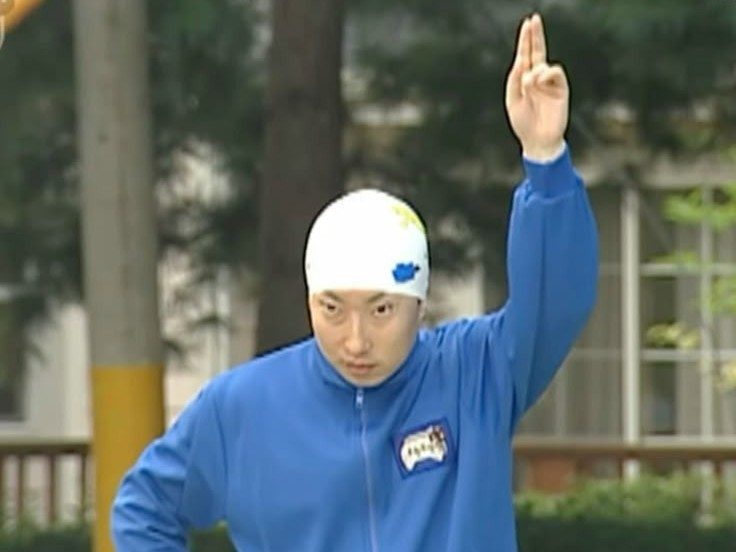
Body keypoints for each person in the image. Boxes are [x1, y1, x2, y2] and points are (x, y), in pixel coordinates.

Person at [111, 12, 598, 552]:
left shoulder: (474, 374)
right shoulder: (242, 407)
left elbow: (556, 299)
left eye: (382, 309)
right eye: (333, 309)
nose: (356, 340)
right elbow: (144, 507)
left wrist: (545, 158)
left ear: (419, 303)